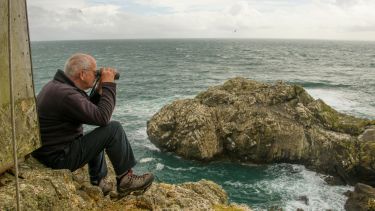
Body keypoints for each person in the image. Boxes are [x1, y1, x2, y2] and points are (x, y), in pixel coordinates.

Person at [32, 53, 154, 197]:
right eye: (95, 72)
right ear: (82, 74)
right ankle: (125, 180)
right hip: (58, 158)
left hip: (50, 152)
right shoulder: (66, 94)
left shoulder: (59, 87)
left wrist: (98, 91)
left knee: (97, 135)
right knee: (113, 129)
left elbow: (85, 109)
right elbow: (102, 118)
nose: (97, 75)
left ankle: (99, 181)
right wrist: (109, 85)